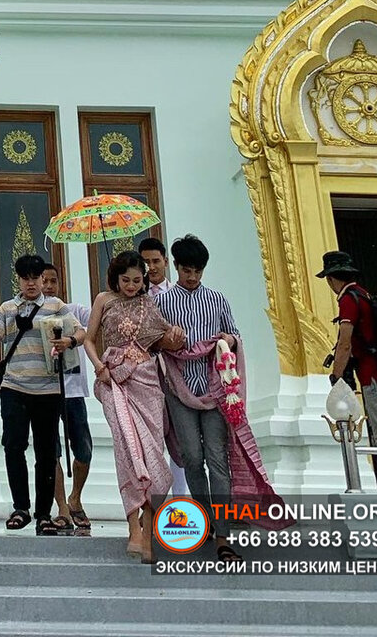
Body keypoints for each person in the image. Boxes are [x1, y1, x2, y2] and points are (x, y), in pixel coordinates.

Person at [82, 250, 186, 561]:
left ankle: (149, 523)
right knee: (126, 448)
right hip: (114, 381)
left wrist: (176, 335)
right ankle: (133, 527)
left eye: (137, 280)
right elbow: (89, 338)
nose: (131, 286)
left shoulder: (149, 303)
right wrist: (98, 364)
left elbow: (164, 336)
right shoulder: (103, 299)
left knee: (153, 450)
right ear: (115, 278)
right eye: (125, 280)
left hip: (147, 381)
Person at [0, 254, 74, 536]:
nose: (31, 283)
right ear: (18, 279)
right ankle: (20, 508)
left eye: (35, 278)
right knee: (13, 447)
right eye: (25, 278)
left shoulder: (56, 307)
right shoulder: (7, 308)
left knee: (46, 452)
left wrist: (68, 341)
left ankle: (44, 514)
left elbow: (80, 333)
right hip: (14, 387)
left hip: (48, 388)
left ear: (42, 279)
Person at [155, 235, 243, 561]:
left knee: (218, 459)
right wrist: (169, 340)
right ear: (176, 267)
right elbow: (153, 342)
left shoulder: (217, 300)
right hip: (179, 389)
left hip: (216, 388)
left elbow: (235, 336)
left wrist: (225, 340)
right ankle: (205, 517)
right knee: (192, 457)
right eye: (186, 269)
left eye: (197, 271)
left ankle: (223, 533)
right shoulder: (162, 302)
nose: (192, 276)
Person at [317, 250, 377, 494]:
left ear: (330, 278)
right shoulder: (363, 294)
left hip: (376, 380)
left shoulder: (348, 299)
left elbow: (345, 343)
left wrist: (337, 376)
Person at [39, 264, 93, 534]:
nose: (48, 286)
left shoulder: (76, 310)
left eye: (53, 280)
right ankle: (61, 506)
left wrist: (72, 340)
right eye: (44, 281)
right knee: (52, 452)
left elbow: (91, 328)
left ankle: (76, 497)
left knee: (83, 450)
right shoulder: (33, 316)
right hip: (46, 391)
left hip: (73, 392)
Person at [138, 235, 189, 496]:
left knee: (181, 438)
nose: (151, 268)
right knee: (151, 438)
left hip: (178, 374)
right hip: (146, 375)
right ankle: (154, 501)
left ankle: (182, 498)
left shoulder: (179, 294)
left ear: (166, 262)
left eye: (155, 261)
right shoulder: (135, 298)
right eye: (145, 262)